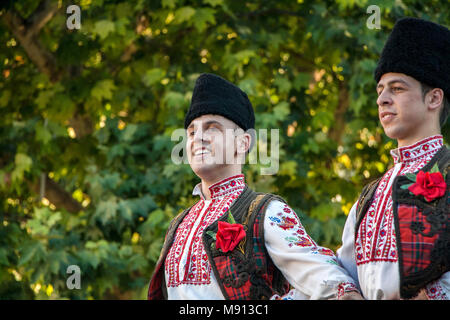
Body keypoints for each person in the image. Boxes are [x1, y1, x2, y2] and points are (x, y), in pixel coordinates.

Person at [148, 73, 362, 300]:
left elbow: (330, 283)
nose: (198, 138)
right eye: (192, 131)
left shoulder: (266, 211)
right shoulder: (179, 223)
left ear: (243, 142)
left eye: (212, 128)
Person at [337, 17, 450, 300]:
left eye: (397, 88)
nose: (382, 99)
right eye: (380, 90)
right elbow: (344, 273)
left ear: (434, 98)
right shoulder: (369, 197)